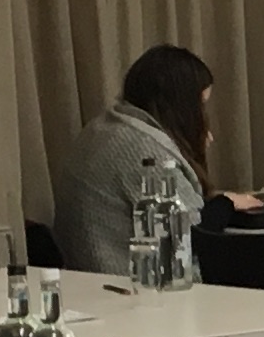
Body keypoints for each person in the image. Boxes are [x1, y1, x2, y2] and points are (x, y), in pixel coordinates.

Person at [52, 45, 231, 276]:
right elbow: (191, 232)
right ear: (183, 107)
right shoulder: (145, 152)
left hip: (87, 280)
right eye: (201, 105)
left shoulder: (103, 128)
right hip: (127, 286)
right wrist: (227, 205)